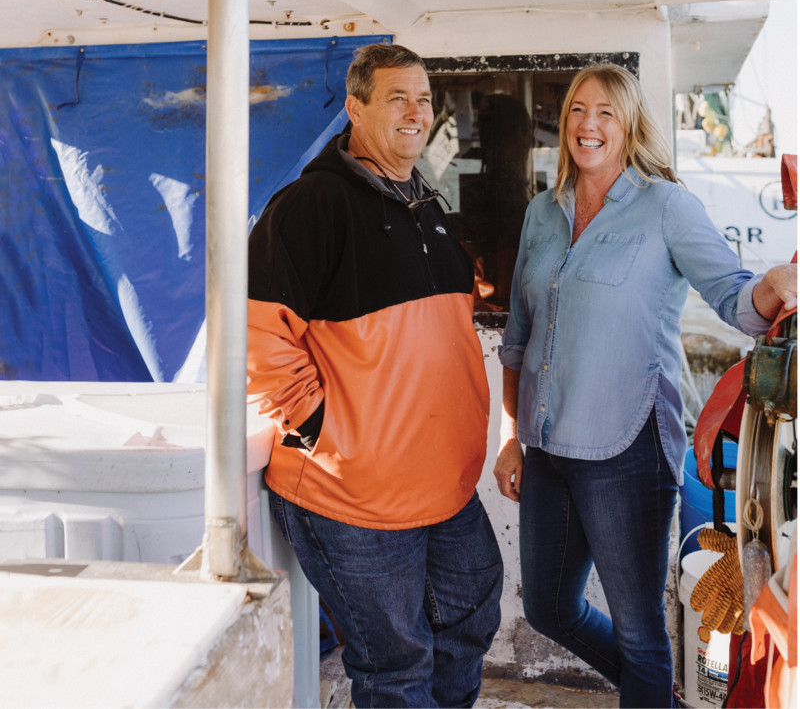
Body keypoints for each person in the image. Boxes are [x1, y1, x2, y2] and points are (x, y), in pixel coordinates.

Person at [492, 64, 798, 709]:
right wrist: (512, 438)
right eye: (577, 110)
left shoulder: (666, 205)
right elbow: (518, 336)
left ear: (629, 124)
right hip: (547, 448)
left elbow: (733, 297)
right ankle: (652, 693)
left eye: (605, 111)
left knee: (640, 634)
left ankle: (649, 691)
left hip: (627, 447)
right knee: (549, 608)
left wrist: (771, 286)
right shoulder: (541, 214)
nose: (589, 124)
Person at [248, 43, 503, 708]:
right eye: (398, 98)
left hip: (443, 482)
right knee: (395, 668)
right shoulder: (311, 207)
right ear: (355, 109)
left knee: (470, 617)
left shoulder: (428, 208)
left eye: (423, 99)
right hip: (355, 494)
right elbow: (256, 339)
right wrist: (321, 433)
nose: (416, 113)